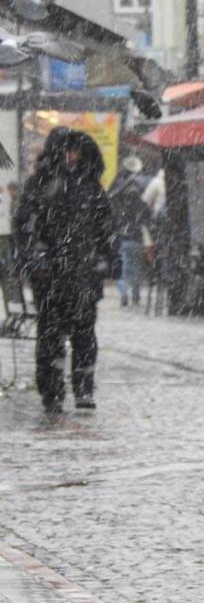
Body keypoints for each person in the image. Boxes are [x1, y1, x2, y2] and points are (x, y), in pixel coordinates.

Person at [14, 128, 117, 414]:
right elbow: (27, 227)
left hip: (83, 274)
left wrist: (106, 259)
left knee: (84, 334)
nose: (73, 156)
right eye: (69, 150)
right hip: (52, 277)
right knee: (51, 335)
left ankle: (83, 387)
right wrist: (37, 260)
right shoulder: (40, 186)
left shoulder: (90, 187)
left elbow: (105, 228)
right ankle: (53, 391)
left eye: (77, 151)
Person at [111, 158, 152, 307]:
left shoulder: (118, 194)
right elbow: (147, 215)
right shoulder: (140, 193)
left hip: (123, 237)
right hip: (137, 237)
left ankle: (124, 294)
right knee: (136, 270)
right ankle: (135, 296)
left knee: (121, 271)